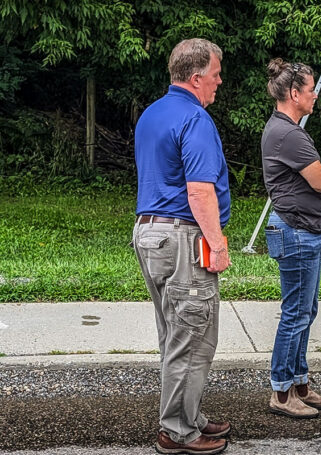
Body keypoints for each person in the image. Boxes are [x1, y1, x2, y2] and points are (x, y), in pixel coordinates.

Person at [133, 38, 232, 455]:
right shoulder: (195, 119)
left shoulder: (152, 114)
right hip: (182, 238)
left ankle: (189, 415)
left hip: (149, 234)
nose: (219, 82)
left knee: (175, 334)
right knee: (193, 337)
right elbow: (199, 192)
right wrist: (218, 243)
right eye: (215, 75)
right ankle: (177, 431)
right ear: (196, 78)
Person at [260, 58, 321, 419]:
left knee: (306, 311)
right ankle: (281, 391)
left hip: (300, 232)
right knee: (295, 314)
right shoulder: (288, 134)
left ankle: (299, 383)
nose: (315, 95)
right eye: (310, 89)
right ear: (294, 93)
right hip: (296, 233)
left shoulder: (285, 129)